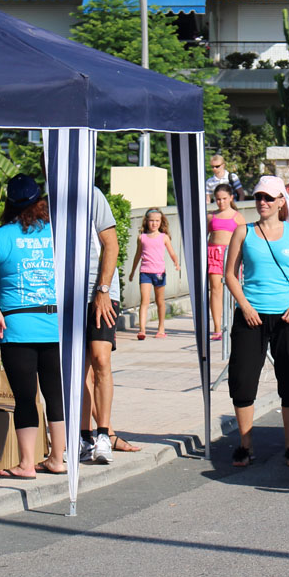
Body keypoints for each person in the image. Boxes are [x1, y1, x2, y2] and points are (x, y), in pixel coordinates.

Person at [0, 174, 65, 480]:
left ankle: (26, 463)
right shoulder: (57, 234)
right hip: (54, 324)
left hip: (16, 325)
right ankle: (57, 459)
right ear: (41, 202)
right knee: (55, 394)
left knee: (25, 397)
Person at [224, 175, 289, 468]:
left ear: (280, 202)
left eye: (268, 198)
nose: (262, 202)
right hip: (252, 315)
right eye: (259, 197)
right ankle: (245, 445)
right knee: (242, 380)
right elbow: (230, 275)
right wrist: (245, 306)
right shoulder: (243, 232)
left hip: (288, 316)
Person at [81, 187, 139, 462]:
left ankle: (104, 434)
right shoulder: (49, 198)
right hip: (69, 295)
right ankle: (84, 437)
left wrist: (103, 289)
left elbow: (111, 244)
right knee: (80, 370)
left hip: (101, 291)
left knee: (101, 360)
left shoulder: (92, 194)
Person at [130, 208, 180, 340]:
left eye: (157, 221)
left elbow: (172, 252)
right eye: (151, 220)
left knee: (159, 301)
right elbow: (137, 255)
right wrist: (133, 271)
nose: (154, 223)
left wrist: (176, 262)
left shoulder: (164, 237)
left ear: (161, 222)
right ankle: (142, 329)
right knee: (144, 301)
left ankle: (161, 328)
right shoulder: (142, 237)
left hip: (159, 272)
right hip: (145, 272)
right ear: (146, 221)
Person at [208, 184, 243, 340]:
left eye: (224, 199)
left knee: (234, 290)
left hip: (231, 256)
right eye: (218, 199)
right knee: (215, 289)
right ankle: (217, 327)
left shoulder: (237, 216)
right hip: (213, 254)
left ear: (231, 198)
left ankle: (236, 324)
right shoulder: (211, 216)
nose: (221, 202)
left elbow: (244, 237)